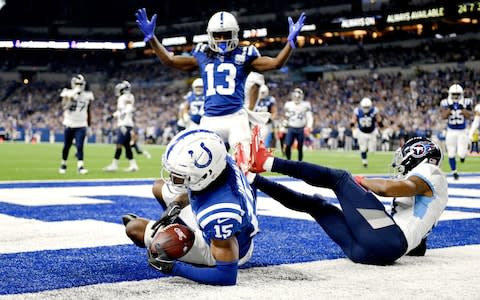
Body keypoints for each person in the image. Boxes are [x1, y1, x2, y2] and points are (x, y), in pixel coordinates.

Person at [135, 8, 306, 172]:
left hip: (236, 119)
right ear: (211, 35)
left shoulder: (245, 54)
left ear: (235, 34)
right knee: (201, 169)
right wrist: (152, 38)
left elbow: (276, 63)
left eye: (227, 35)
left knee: (246, 168)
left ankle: (247, 200)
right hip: (210, 120)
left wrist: (290, 43)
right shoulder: (202, 54)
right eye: (218, 35)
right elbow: (170, 60)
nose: (223, 39)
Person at [248, 126, 447, 264]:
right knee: (316, 205)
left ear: (418, 153)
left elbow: (387, 189)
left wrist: (361, 181)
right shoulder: (433, 197)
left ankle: (266, 162)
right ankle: (252, 179)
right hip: (368, 251)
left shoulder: (432, 171)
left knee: (340, 178)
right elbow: (418, 248)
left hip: (385, 239)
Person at [122, 129, 259, 285]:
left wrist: (173, 268)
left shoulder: (220, 215)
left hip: (227, 249)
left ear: (205, 176)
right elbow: (204, 187)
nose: (173, 178)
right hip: (224, 219)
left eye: (179, 176)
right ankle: (176, 227)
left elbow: (226, 277)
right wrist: (178, 204)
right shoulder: (221, 161)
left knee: (134, 228)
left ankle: (179, 242)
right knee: (159, 187)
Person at [58, 74, 94, 175]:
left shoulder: (87, 95)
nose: (79, 86)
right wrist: (72, 97)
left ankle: (80, 166)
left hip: (81, 124)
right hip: (69, 123)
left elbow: (89, 111)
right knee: (66, 146)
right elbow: (64, 106)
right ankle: (63, 164)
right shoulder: (67, 92)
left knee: (79, 146)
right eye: (77, 84)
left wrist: (89, 126)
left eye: (81, 84)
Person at [103, 80, 139, 172]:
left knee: (119, 144)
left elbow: (126, 109)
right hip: (127, 124)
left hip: (124, 124)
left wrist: (122, 114)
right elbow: (123, 110)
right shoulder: (130, 96)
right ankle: (133, 165)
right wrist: (113, 116)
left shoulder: (123, 98)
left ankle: (114, 165)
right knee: (126, 146)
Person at [440, 84, 473, 180]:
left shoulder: (467, 101)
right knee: (451, 153)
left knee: (461, 153)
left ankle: (463, 156)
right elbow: (443, 116)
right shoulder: (445, 102)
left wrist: (462, 108)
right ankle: (454, 172)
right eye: (454, 94)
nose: (455, 96)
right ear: (450, 94)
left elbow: (468, 116)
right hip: (451, 131)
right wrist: (450, 108)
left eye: (457, 94)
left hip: (462, 131)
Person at [351, 97, 383, 168]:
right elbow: (353, 120)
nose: (366, 108)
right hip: (362, 132)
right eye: (364, 107)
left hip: (372, 132)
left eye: (367, 107)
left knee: (372, 150)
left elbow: (379, 120)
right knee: (362, 148)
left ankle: (367, 150)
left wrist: (381, 129)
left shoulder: (374, 110)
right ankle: (364, 162)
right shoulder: (357, 111)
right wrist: (353, 129)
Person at [283, 87, 313, 161]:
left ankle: (300, 162)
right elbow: (286, 117)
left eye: (298, 96)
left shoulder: (306, 104)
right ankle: (288, 160)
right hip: (291, 127)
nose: (296, 98)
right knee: (288, 145)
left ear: (301, 96)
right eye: (295, 96)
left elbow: (309, 116)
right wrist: (283, 126)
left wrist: (309, 126)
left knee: (300, 147)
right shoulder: (288, 104)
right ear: (292, 96)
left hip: (301, 128)